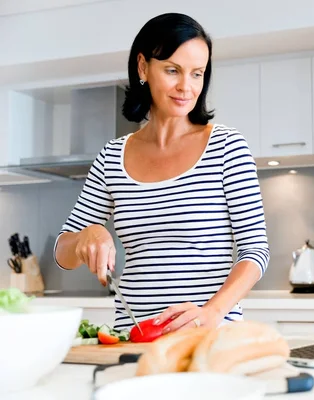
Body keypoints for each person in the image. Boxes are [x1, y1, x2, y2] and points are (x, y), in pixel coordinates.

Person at [53, 13, 270, 333]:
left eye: (197, 73)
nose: (186, 86)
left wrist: (212, 312)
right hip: (135, 335)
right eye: (172, 70)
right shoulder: (112, 157)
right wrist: (86, 235)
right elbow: (63, 252)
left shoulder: (226, 146)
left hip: (208, 335)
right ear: (143, 67)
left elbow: (255, 251)